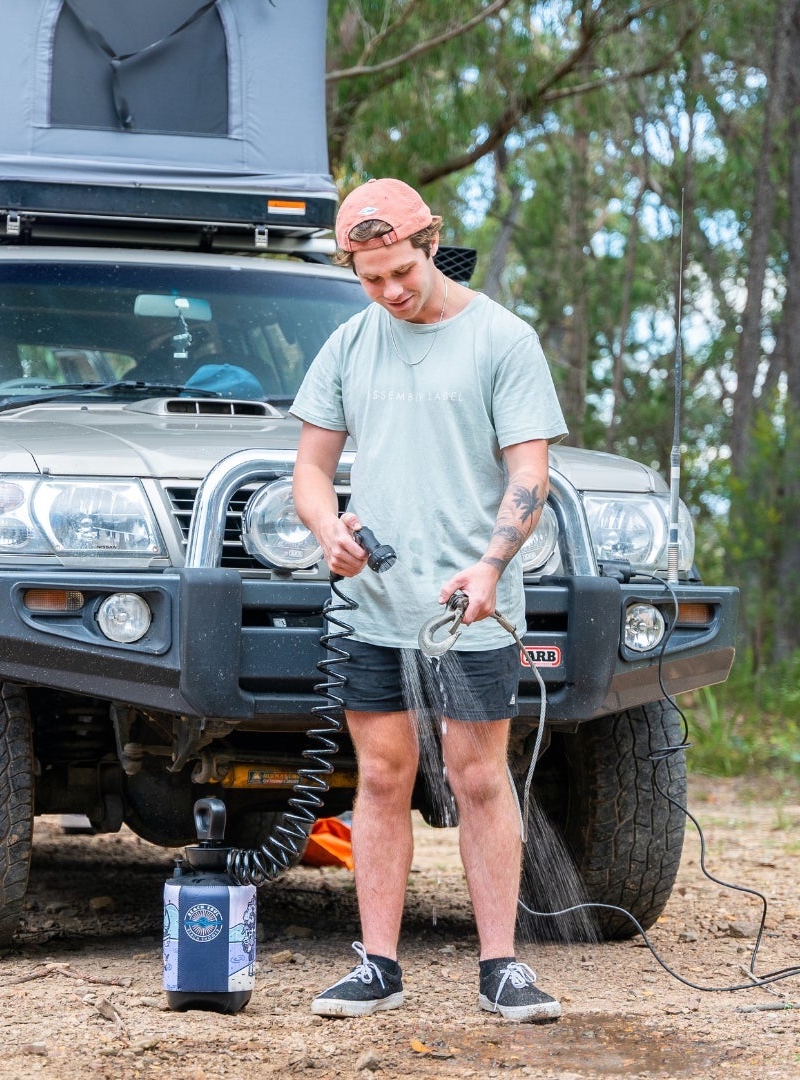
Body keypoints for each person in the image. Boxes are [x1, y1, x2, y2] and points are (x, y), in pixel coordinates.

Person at [289, 178, 568, 1023]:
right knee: (381, 775)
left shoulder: (501, 340)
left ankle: (502, 968)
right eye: (370, 279)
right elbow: (308, 470)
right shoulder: (349, 344)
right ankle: (377, 964)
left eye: (401, 271)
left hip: (470, 605)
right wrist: (326, 526)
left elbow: (531, 474)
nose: (390, 292)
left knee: (478, 777)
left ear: (432, 241)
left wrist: (491, 565)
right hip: (374, 604)